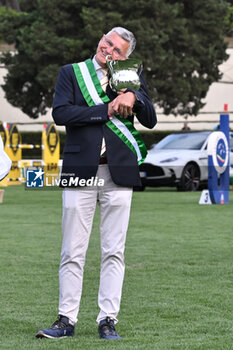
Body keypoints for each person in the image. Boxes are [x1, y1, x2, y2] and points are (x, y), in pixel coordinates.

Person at [36, 27, 156, 340]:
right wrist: (107, 109)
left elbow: (151, 120)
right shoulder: (72, 73)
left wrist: (135, 96)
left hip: (119, 172)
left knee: (114, 251)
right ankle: (66, 320)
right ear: (101, 39)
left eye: (118, 51)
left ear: (126, 57)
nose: (110, 51)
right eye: (108, 43)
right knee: (72, 250)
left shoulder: (131, 74)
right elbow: (61, 114)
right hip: (80, 168)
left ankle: (107, 321)